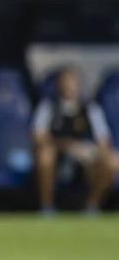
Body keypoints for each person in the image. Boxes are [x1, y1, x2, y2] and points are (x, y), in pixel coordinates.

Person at [33, 68, 116, 214]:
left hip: (85, 156)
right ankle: (47, 207)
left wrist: (91, 152)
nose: (69, 86)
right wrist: (68, 146)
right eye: (65, 82)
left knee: (112, 161)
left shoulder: (90, 108)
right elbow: (38, 136)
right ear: (59, 85)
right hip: (58, 154)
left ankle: (92, 206)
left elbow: (103, 140)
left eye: (73, 82)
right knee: (45, 155)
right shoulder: (48, 106)